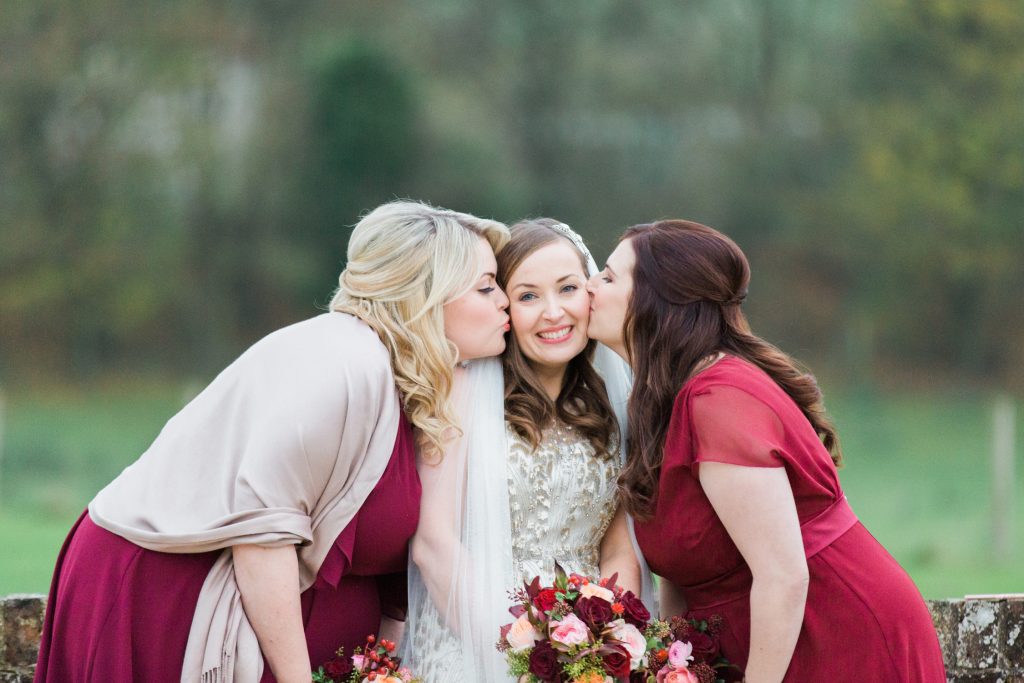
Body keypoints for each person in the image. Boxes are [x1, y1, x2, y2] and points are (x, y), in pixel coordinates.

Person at [34, 200, 511, 683]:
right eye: (487, 286)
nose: (504, 300)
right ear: (423, 295)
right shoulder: (347, 364)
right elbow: (263, 538)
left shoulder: (414, 381)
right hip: (161, 593)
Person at [586, 219, 946, 682]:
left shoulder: (718, 399)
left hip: (836, 635)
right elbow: (681, 576)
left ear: (661, 300)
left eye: (610, 277)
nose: (590, 286)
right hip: (761, 648)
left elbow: (783, 576)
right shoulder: (660, 402)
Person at [402, 219, 652, 681]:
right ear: (505, 309)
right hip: (476, 642)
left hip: (586, 655)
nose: (553, 312)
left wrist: (612, 643)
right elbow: (433, 544)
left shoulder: (615, 404)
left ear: (590, 293)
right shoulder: (462, 389)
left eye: (568, 288)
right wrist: (517, 661)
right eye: (529, 296)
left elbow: (619, 546)